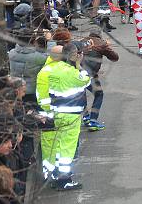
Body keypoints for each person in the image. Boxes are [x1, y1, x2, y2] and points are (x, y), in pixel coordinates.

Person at [39, 43, 90, 190]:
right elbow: (86, 79)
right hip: (71, 115)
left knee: (59, 147)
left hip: (57, 113)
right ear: (75, 55)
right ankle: (64, 180)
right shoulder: (73, 72)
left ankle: (56, 175)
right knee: (67, 150)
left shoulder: (55, 70)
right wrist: (79, 65)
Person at [82, 31, 119, 130]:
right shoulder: (101, 44)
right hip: (90, 74)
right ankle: (93, 120)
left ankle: (85, 117)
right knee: (98, 94)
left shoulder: (82, 41)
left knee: (81, 93)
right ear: (100, 36)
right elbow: (115, 57)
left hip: (77, 72)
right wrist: (107, 47)